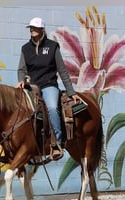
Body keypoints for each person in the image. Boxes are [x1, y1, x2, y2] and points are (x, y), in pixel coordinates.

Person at [16, 17, 81, 160]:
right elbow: (21, 69)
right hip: (31, 87)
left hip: (48, 86)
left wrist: (71, 91)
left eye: (34, 27)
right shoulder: (25, 49)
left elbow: (62, 71)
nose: (31, 30)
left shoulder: (52, 47)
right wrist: (21, 80)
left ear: (42, 30)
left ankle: (56, 143)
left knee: (52, 108)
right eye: (30, 28)